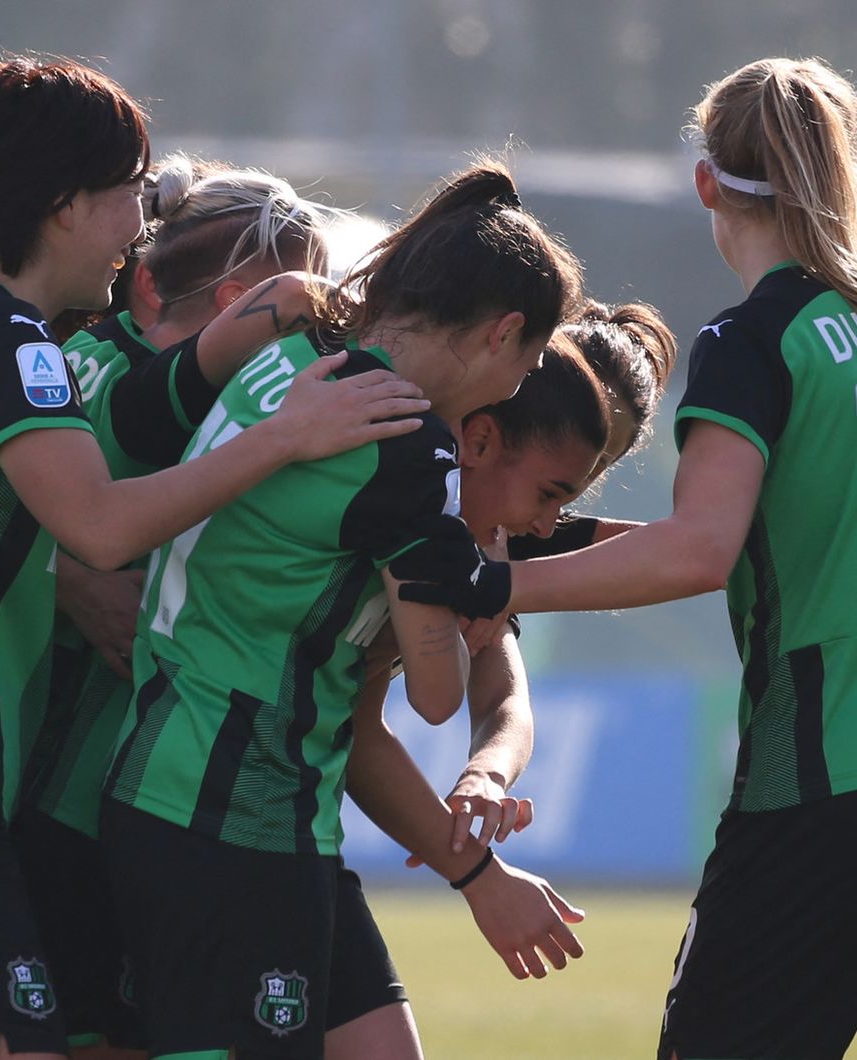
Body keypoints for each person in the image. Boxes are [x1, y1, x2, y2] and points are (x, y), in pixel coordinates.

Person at [0, 56, 428, 1060]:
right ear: (65, 204)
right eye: (127, 197)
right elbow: (99, 527)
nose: (138, 229)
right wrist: (279, 437)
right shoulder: (13, 341)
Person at [396, 57, 857, 1060]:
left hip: (832, 785)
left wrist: (495, 580)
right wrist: (537, 552)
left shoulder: (755, 338)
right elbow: (778, 540)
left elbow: (700, 551)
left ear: (708, 183)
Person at [99, 161, 583, 1059]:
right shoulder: (404, 439)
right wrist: (474, 590)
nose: (515, 392)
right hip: (231, 808)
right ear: (504, 332)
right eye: (526, 365)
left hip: (183, 780)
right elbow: (438, 694)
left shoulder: (297, 349)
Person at [15, 153, 338, 1058]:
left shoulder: (230, 397)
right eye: (258, 304)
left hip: (138, 796)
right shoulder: (108, 376)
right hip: (70, 795)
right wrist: (69, 580)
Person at [332, 305, 676, 1058]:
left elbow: (504, 698)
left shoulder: (497, 527)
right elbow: (364, 723)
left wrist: (485, 775)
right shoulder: (414, 498)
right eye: (557, 487)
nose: (556, 522)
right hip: (217, 809)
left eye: (591, 479)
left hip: (284, 821)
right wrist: (479, 874)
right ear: (492, 422)